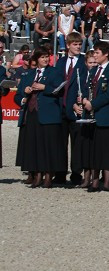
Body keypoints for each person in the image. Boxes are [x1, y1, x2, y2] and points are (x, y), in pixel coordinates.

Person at [75, 42, 109, 192]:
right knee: (94, 149)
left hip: (106, 114)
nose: (95, 56)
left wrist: (93, 104)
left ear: (106, 54)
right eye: (94, 53)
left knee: (107, 149)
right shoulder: (93, 71)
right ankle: (94, 181)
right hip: (91, 114)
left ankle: (107, 181)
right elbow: (86, 87)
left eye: (97, 53)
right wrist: (83, 100)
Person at [15, 47, 65, 188]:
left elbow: (59, 90)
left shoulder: (55, 72)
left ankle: (48, 176)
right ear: (36, 59)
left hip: (48, 114)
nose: (45, 59)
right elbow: (18, 96)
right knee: (34, 145)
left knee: (48, 145)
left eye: (46, 57)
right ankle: (36, 175)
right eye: (42, 57)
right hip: (31, 114)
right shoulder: (29, 74)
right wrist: (24, 96)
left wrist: (45, 88)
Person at [57, 32, 88, 185]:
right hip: (61, 108)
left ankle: (76, 174)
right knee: (60, 143)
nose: (77, 47)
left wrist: (77, 103)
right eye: (75, 44)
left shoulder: (83, 62)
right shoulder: (61, 62)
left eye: (79, 44)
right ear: (68, 45)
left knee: (77, 143)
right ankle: (60, 173)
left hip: (76, 109)